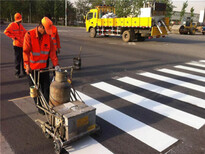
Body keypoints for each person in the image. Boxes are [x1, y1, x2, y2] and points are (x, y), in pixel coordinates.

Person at [23, 17, 60, 115]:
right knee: (35, 89)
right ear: (40, 26)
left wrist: (56, 65)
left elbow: (52, 52)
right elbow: (26, 52)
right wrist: (27, 65)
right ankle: (39, 106)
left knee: (46, 88)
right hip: (32, 69)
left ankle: (46, 105)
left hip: (44, 68)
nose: (46, 32)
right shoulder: (29, 35)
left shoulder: (48, 37)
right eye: (45, 30)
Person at [4, 13, 27, 78]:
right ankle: (17, 73)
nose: (20, 21)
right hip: (16, 45)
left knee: (23, 59)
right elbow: (6, 32)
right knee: (18, 59)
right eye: (20, 20)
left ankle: (24, 71)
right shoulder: (12, 25)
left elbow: (25, 32)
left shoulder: (20, 26)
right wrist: (14, 37)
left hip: (22, 44)